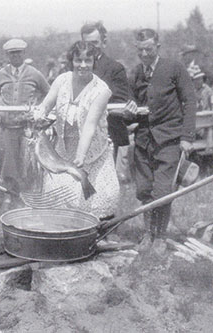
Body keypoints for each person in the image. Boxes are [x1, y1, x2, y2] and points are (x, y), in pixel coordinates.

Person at [34, 41, 120, 219]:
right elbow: (46, 105)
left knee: (97, 199)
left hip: (92, 151)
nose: (82, 65)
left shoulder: (102, 90)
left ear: (94, 61)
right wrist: (38, 115)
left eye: (87, 60)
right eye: (78, 60)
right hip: (63, 150)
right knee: (60, 198)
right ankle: (63, 234)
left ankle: (98, 235)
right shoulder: (61, 80)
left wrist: (80, 156)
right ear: (71, 61)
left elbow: (90, 124)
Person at [126, 29, 196, 243]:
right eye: (140, 50)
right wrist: (129, 113)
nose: (145, 54)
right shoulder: (136, 73)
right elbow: (131, 114)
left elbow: (190, 101)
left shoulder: (174, 68)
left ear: (157, 47)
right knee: (145, 189)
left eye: (149, 49)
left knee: (164, 190)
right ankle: (148, 233)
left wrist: (187, 137)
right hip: (143, 141)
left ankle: (161, 237)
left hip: (169, 140)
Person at [0, 38, 49, 200]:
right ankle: (10, 194)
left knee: (28, 161)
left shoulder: (34, 73)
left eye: (18, 53)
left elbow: (48, 93)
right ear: (7, 56)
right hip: (8, 126)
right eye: (12, 54)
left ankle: (30, 194)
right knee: (9, 162)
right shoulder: (0, 74)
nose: (15, 56)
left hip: (27, 127)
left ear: (24, 53)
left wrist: (39, 110)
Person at [81, 22, 131, 161]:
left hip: (107, 134)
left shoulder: (115, 68)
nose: (90, 47)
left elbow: (120, 103)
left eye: (94, 42)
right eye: (86, 43)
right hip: (80, 135)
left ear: (104, 42)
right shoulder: (75, 68)